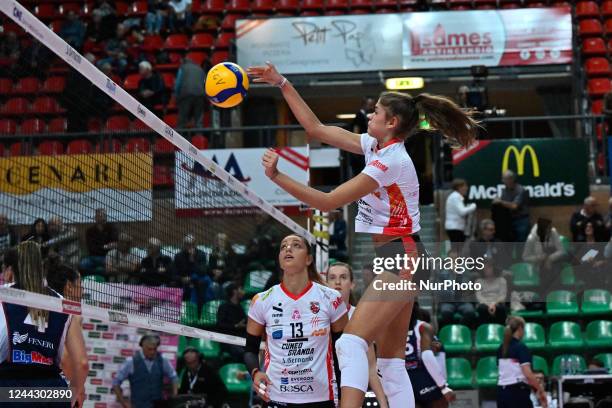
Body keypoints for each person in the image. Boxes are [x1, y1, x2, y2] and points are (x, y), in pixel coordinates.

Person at [248, 61, 478, 408]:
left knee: (349, 343)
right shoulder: (375, 144)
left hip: (403, 256)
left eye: (375, 112)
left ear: (392, 123)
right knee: (390, 362)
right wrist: (281, 82)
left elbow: (327, 201)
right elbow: (315, 128)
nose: (369, 115)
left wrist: (278, 177)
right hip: (402, 255)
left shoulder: (391, 162)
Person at [245, 234, 349, 407]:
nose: (288, 248)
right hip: (277, 397)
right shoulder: (262, 300)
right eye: (283, 246)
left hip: (321, 397)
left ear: (308, 259)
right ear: (279, 260)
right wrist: (256, 373)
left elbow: (344, 352)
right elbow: (250, 349)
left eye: (296, 245)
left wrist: (345, 394)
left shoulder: (331, 298)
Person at [0, 242, 87, 408]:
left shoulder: (4, 294)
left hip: (12, 389)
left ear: (12, 270)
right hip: (53, 391)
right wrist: (75, 393)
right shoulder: (64, 304)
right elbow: (81, 363)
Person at [325, 263, 387, 408]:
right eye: (332, 278)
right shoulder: (316, 315)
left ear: (352, 284)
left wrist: (383, 403)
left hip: (351, 387)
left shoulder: (361, 316)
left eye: (343, 277)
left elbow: (371, 366)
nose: (338, 282)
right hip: (321, 389)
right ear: (325, 284)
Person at [45, 260, 88, 405]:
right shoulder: (72, 314)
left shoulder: (38, 306)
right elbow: (70, 360)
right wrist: (76, 392)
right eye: (81, 285)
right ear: (69, 287)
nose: (83, 291)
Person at [405, 302, 456, 408]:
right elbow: (428, 357)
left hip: (406, 382)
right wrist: (443, 387)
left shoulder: (391, 330)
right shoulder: (424, 328)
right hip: (426, 380)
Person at [113, 334, 179, 408]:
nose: (152, 352)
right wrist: (124, 403)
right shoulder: (131, 362)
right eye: (149, 349)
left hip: (158, 405)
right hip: (138, 405)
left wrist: (174, 397)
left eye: (154, 349)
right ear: (142, 346)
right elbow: (116, 382)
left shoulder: (163, 360)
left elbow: (174, 377)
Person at [496, 316, 548, 408]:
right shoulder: (521, 347)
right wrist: (540, 390)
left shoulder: (501, 348)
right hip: (517, 393)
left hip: (501, 393)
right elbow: (527, 374)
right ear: (520, 328)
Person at [522, 218, 566, 288]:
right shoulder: (531, 238)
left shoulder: (553, 232)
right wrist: (538, 258)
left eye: (550, 228)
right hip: (538, 265)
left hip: (553, 263)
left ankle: (556, 292)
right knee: (544, 276)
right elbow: (525, 257)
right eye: (547, 229)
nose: (550, 231)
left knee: (556, 271)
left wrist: (550, 259)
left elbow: (562, 251)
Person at [174, 234, 214, 309]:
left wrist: (192, 261)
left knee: (203, 283)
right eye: (187, 244)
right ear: (183, 244)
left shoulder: (201, 254)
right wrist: (182, 279)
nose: (189, 246)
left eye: (192, 244)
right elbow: (175, 273)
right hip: (183, 281)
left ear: (195, 244)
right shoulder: (178, 256)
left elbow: (202, 271)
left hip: (197, 280)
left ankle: (201, 309)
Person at [492, 170, 530, 242]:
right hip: (509, 221)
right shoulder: (504, 190)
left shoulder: (520, 190)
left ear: (511, 179)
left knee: (520, 244)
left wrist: (500, 201)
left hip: (521, 221)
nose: (502, 181)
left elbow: (514, 206)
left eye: (504, 179)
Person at [81, 208, 118, 274]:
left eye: (103, 216)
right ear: (95, 217)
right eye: (99, 216)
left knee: (110, 267)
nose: (101, 218)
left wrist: (101, 247)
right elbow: (91, 247)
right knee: (82, 264)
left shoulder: (112, 228)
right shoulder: (90, 231)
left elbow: (115, 244)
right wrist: (105, 246)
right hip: (93, 257)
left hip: (107, 257)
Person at [216, 283, 247, 362]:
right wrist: (235, 326)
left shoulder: (240, 307)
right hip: (228, 339)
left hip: (241, 337)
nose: (243, 292)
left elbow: (244, 323)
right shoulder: (223, 307)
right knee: (242, 353)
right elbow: (220, 325)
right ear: (234, 291)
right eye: (240, 289)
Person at [444, 178, 477, 251]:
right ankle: (454, 262)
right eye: (465, 186)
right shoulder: (456, 196)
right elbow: (462, 212)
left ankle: (456, 262)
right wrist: (472, 206)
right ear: (459, 187)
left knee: (457, 250)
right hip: (454, 228)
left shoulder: (456, 196)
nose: (466, 188)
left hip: (457, 228)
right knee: (455, 250)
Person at [175, 56, 206, 129]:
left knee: (182, 120)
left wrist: (176, 95)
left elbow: (178, 83)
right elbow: (205, 84)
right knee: (198, 121)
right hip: (200, 95)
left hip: (186, 95)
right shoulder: (200, 69)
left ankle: (179, 139)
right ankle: (199, 138)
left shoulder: (183, 68)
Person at [474, 259, 508, 325]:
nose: (486, 269)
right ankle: (484, 330)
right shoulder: (478, 281)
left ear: (494, 268)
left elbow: (502, 296)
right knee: (482, 309)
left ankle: (501, 329)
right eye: (484, 267)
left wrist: (493, 304)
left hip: (497, 303)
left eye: (488, 267)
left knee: (502, 309)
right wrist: (489, 304)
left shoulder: (502, 280)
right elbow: (479, 296)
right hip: (484, 303)